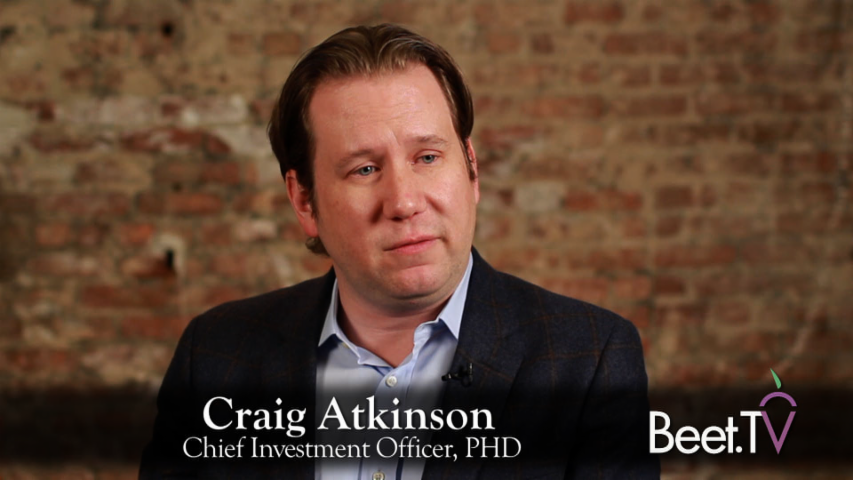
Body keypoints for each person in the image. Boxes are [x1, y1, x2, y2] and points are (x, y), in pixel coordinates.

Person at [140, 24, 658, 479]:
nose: (405, 202)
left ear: (471, 168)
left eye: (427, 157)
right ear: (304, 200)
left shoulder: (591, 361)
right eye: (364, 169)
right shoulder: (214, 359)